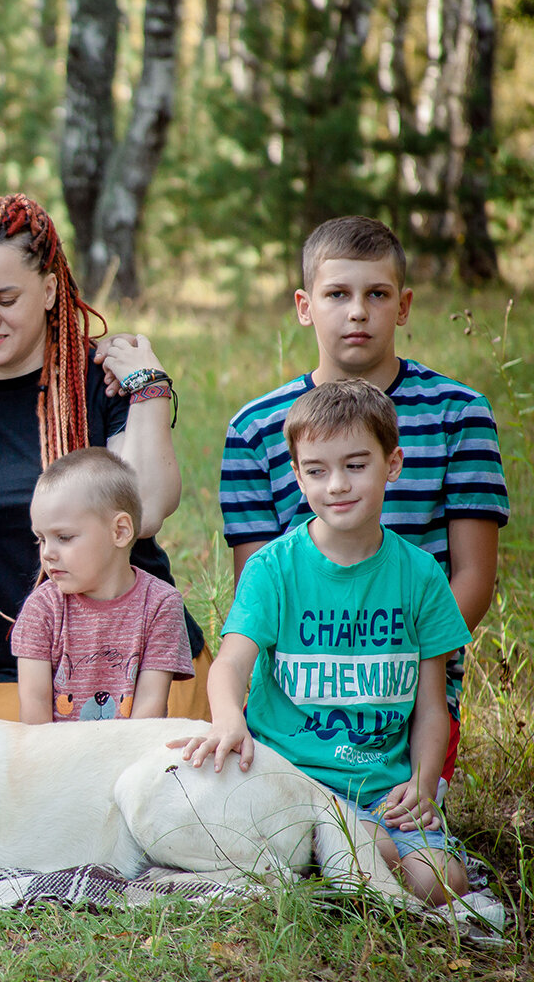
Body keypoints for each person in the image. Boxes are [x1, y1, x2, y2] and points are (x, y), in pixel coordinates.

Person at [219, 216, 508, 791]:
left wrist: (394, 669)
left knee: (409, 854)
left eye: (376, 294)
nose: (357, 311)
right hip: (301, 698)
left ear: (402, 306)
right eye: (337, 295)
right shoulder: (255, 429)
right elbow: (255, 588)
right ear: (305, 305)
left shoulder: (459, 414)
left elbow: (474, 574)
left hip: (409, 689)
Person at [0, 193, 208, 720]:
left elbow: (146, 509)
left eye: (6, 298)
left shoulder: (101, 380)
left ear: (50, 289)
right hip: (6, 673)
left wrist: (150, 390)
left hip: (141, 670)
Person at [182, 380, 470, 905]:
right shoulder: (274, 568)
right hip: (290, 780)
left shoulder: (421, 576)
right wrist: (228, 718)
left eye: (356, 465)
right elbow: (229, 665)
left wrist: (424, 783)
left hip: (382, 788)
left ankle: (328, 869)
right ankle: (322, 863)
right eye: (317, 470)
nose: (336, 484)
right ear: (297, 475)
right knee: (367, 857)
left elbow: (432, 707)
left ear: (393, 463)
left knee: (443, 882)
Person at [12, 448, 194, 724]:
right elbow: (34, 714)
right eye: (41, 539)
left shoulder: (160, 604)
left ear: (119, 531)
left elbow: (150, 706)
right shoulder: (42, 608)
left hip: (133, 757)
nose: (47, 553)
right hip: (57, 760)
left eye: (64, 537)